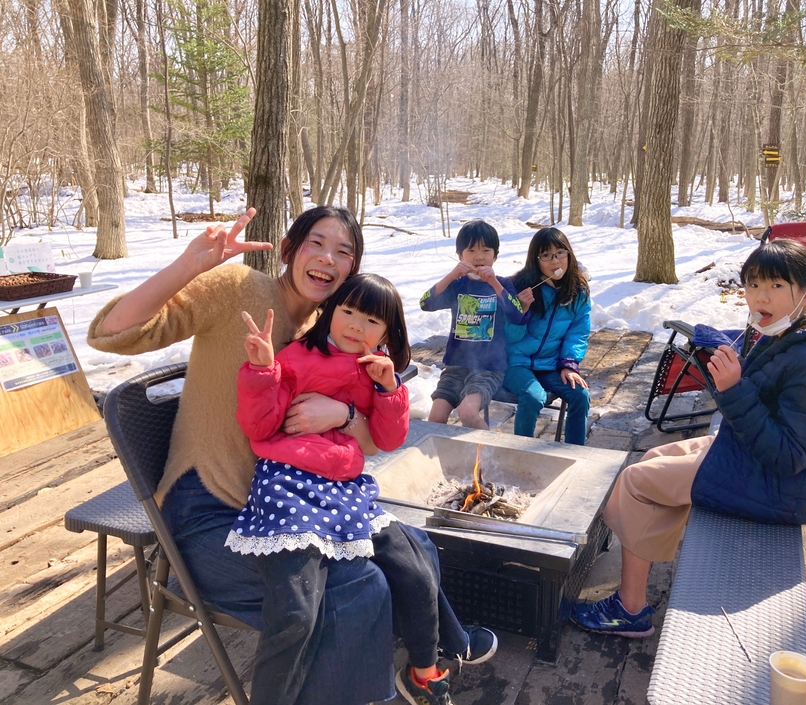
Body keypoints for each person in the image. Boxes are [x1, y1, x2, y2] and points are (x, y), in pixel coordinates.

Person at [87, 206, 492, 705]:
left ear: (353, 270)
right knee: (358, 589)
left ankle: (423, 665)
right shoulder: (240, 290)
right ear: (287, 250)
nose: (327, 258)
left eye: (343, 251)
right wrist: (189, 266)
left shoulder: (335, 326)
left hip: (298, 505)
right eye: (315, 243)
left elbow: (369, 440)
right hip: (211, 512)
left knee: (412, 548)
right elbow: (112, 332)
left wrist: (340, 414)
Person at [570, 238, 806, 637]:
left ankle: (630, 609)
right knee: (650, 462)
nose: (761, 297)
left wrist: (734, 388)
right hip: (769, 463)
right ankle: (644, 552)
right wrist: (732, 365)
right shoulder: (793, 331)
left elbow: (788, 456)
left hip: (794, 487)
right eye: (754, 285)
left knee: (638, 485)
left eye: (777, 286)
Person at [231, 273, 478, 705]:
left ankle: (423, 669)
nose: (355, 326)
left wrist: (388, 388)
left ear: (387, 333)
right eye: (347, 311)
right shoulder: (293, 358)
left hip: (345, 489)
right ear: (330, 311)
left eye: (371, 320)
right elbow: (258, 424)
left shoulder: (374, 371)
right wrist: (261, 370)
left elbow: (387, 439)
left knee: (415, 568)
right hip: (289, 487)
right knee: (296, 612)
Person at [420, 219, 527, 429]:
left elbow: (517, 316)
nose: (479, 256)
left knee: (467, 413)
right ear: (460, 256)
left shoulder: (503, 285)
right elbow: (425, 303)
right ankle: (447, 460)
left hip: (488, 368)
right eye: (471, 250)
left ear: (495, 256)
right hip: (456, 365)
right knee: (435, 419)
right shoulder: (457, 284)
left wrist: (494, 283)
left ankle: (488, 457)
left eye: (486, 250)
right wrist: (452, 275)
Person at [505, 227, 592, 444]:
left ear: (569, 254)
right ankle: (520, 452)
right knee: (534, 397)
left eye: (560, 253)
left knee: (580, 394)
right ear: (536, 260)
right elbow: (509, 337)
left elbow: (578, 333)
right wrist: (521, 311)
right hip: (516, 363)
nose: (555, 261)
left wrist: (568, 364)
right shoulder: (519, 286)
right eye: (545, 255)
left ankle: (575, 452)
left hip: (552, 364)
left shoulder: (577, 292)